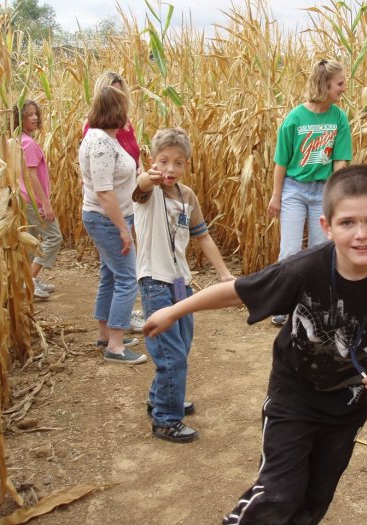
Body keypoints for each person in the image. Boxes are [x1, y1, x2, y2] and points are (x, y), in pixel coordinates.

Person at [144, 164, 367, 523]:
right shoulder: (305, 269)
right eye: (348, 223)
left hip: (348, 406)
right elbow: (237, 292)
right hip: (294, 395)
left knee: (313, 501)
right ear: (326, 226)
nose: (361, 234)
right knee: (278, 493)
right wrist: (174, 310)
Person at [134, 127, 234, 443]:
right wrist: (148, 177)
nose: (170, 169)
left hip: (180, 284)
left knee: (182, 345)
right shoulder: (148, 192)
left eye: (178, 163)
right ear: (153, 161)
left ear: (186, 165)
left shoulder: (187, 196)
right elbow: (140, 186)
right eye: (163, 161)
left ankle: (162, 398)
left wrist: (224, 275)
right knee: (171, 354)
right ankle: (166, 419)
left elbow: (202, 235)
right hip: (154, 282)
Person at [267, 59, 352, 326]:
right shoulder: (295, 118)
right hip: (294, 189)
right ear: (324, 85)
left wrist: (336, 197)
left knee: (322, 250)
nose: (344, 88)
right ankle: (282, 304)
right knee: (290, 250)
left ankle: (316, 305)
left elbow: (340, 161)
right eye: (340, 84)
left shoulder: (339, 118)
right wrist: (276, 195)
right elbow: (282, 161)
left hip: (323, 191)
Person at [79, 85, 146, 364]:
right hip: (107, 220)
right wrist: (122, 228)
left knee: (110, 275)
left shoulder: (106, 138)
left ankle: (106, 334)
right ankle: (116, 346)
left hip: (109, 218)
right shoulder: (101, 144)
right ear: (117, 111)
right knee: (127, 277)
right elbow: (104, 192)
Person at [14, 100, 63, 300]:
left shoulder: (17, 140)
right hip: (32, 201)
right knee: (54, 237)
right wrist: (45, 204)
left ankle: (26, 280)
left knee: (30, 242)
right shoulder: (28, 143)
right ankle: (30, 281)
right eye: (28, 115)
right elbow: (32, 177)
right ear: (19, 118)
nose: (34, 118)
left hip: (22, 199)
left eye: (35, 114)